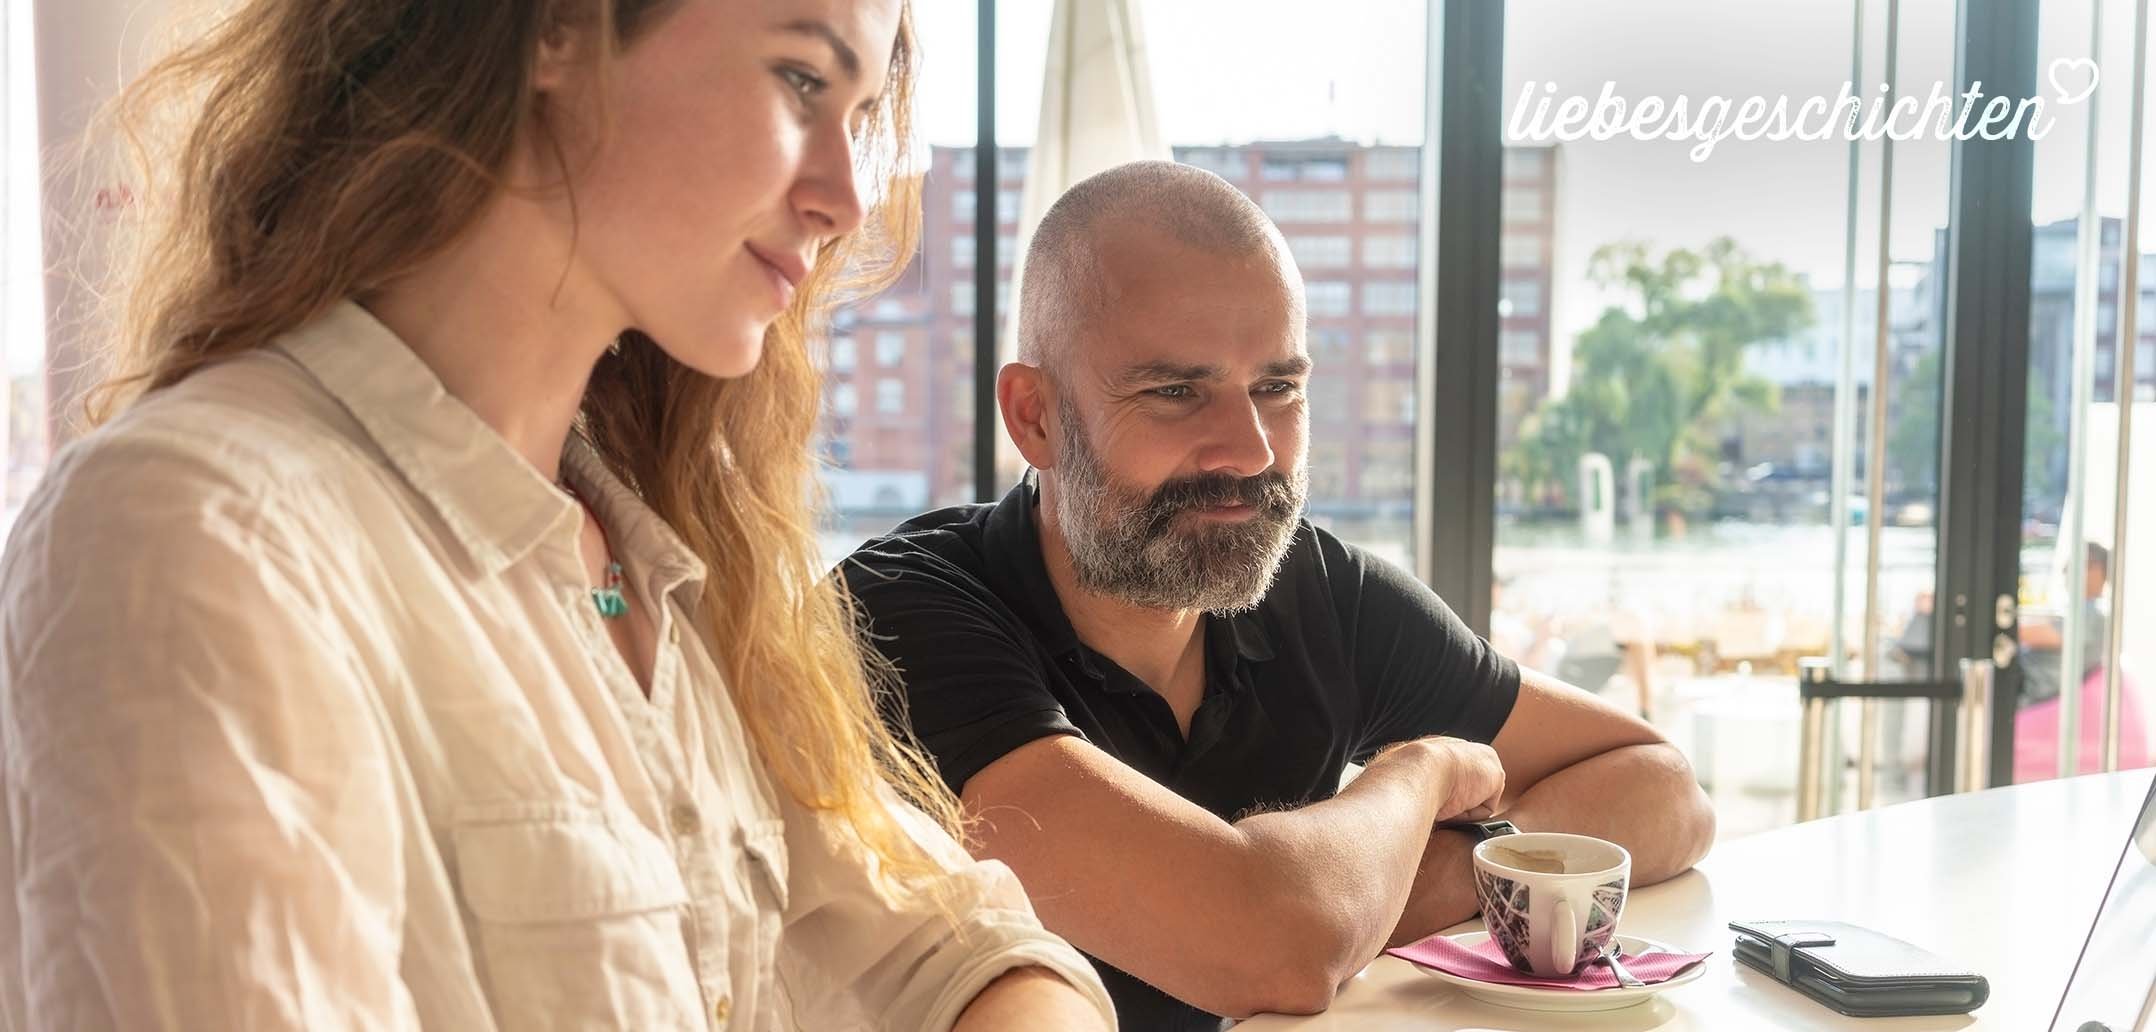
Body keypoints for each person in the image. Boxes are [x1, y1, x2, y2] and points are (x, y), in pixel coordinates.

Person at [0, 2, 1114, 1029]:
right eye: (798, 80)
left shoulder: (661, 562)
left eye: (859, 113)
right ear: (554, 31)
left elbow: (969, 952)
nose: (847, 196)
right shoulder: (199, 536)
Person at [841, 161, 1717, 1030]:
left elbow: (1664, 791)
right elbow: (1275, 944)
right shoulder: (896, 616)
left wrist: (1406, 879)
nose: (1250, 451)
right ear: (1034, 416)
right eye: (1175, 392)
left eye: (1277, 388)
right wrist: (1420, 776)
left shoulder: (1318, 591)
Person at [2020, 541, 2112, 705]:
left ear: (2095, 570)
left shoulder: (2093, 612)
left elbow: (2034, 635)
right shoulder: (2084, 609)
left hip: (2029, 688)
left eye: (2071, 563)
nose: (2064, 571)